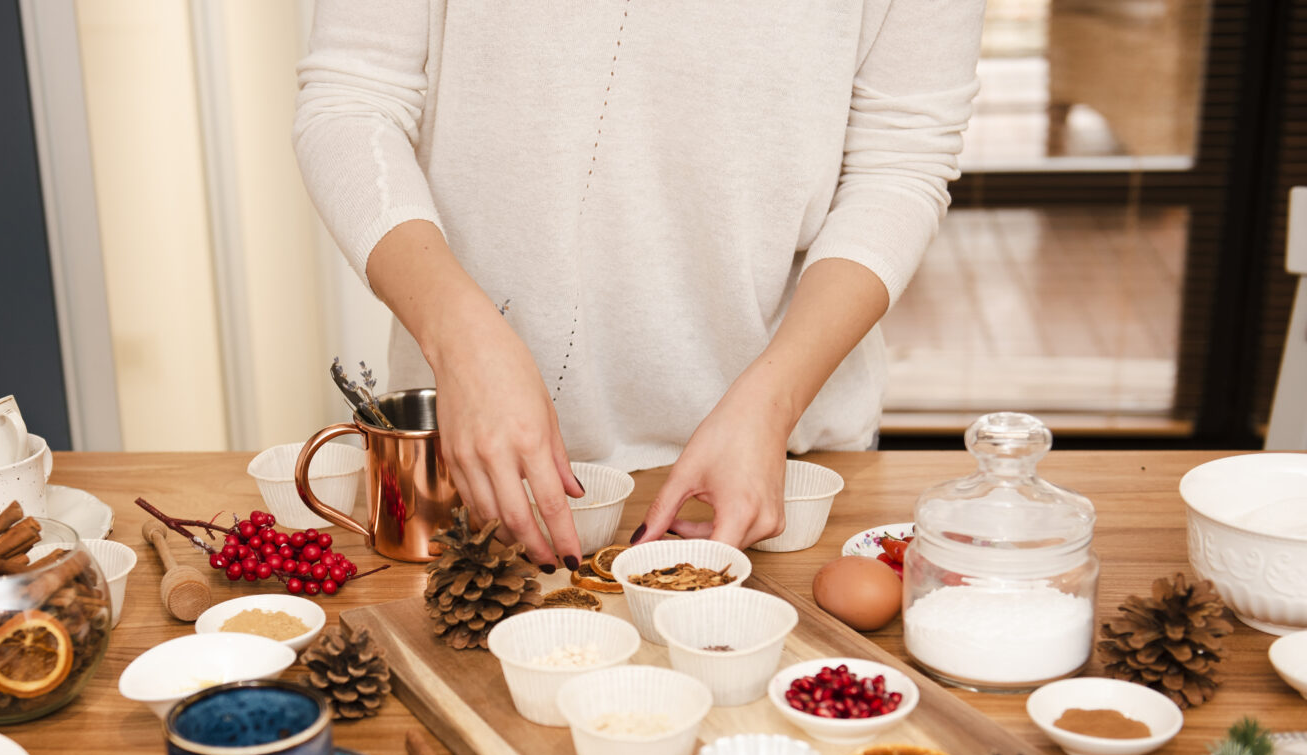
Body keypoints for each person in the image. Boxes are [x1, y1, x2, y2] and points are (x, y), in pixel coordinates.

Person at [294, 2, 984, 571]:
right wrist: (461, 338)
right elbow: (353, 99)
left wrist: (775, 398)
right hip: (475, 460)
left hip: (772, 469)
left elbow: (899, 162)